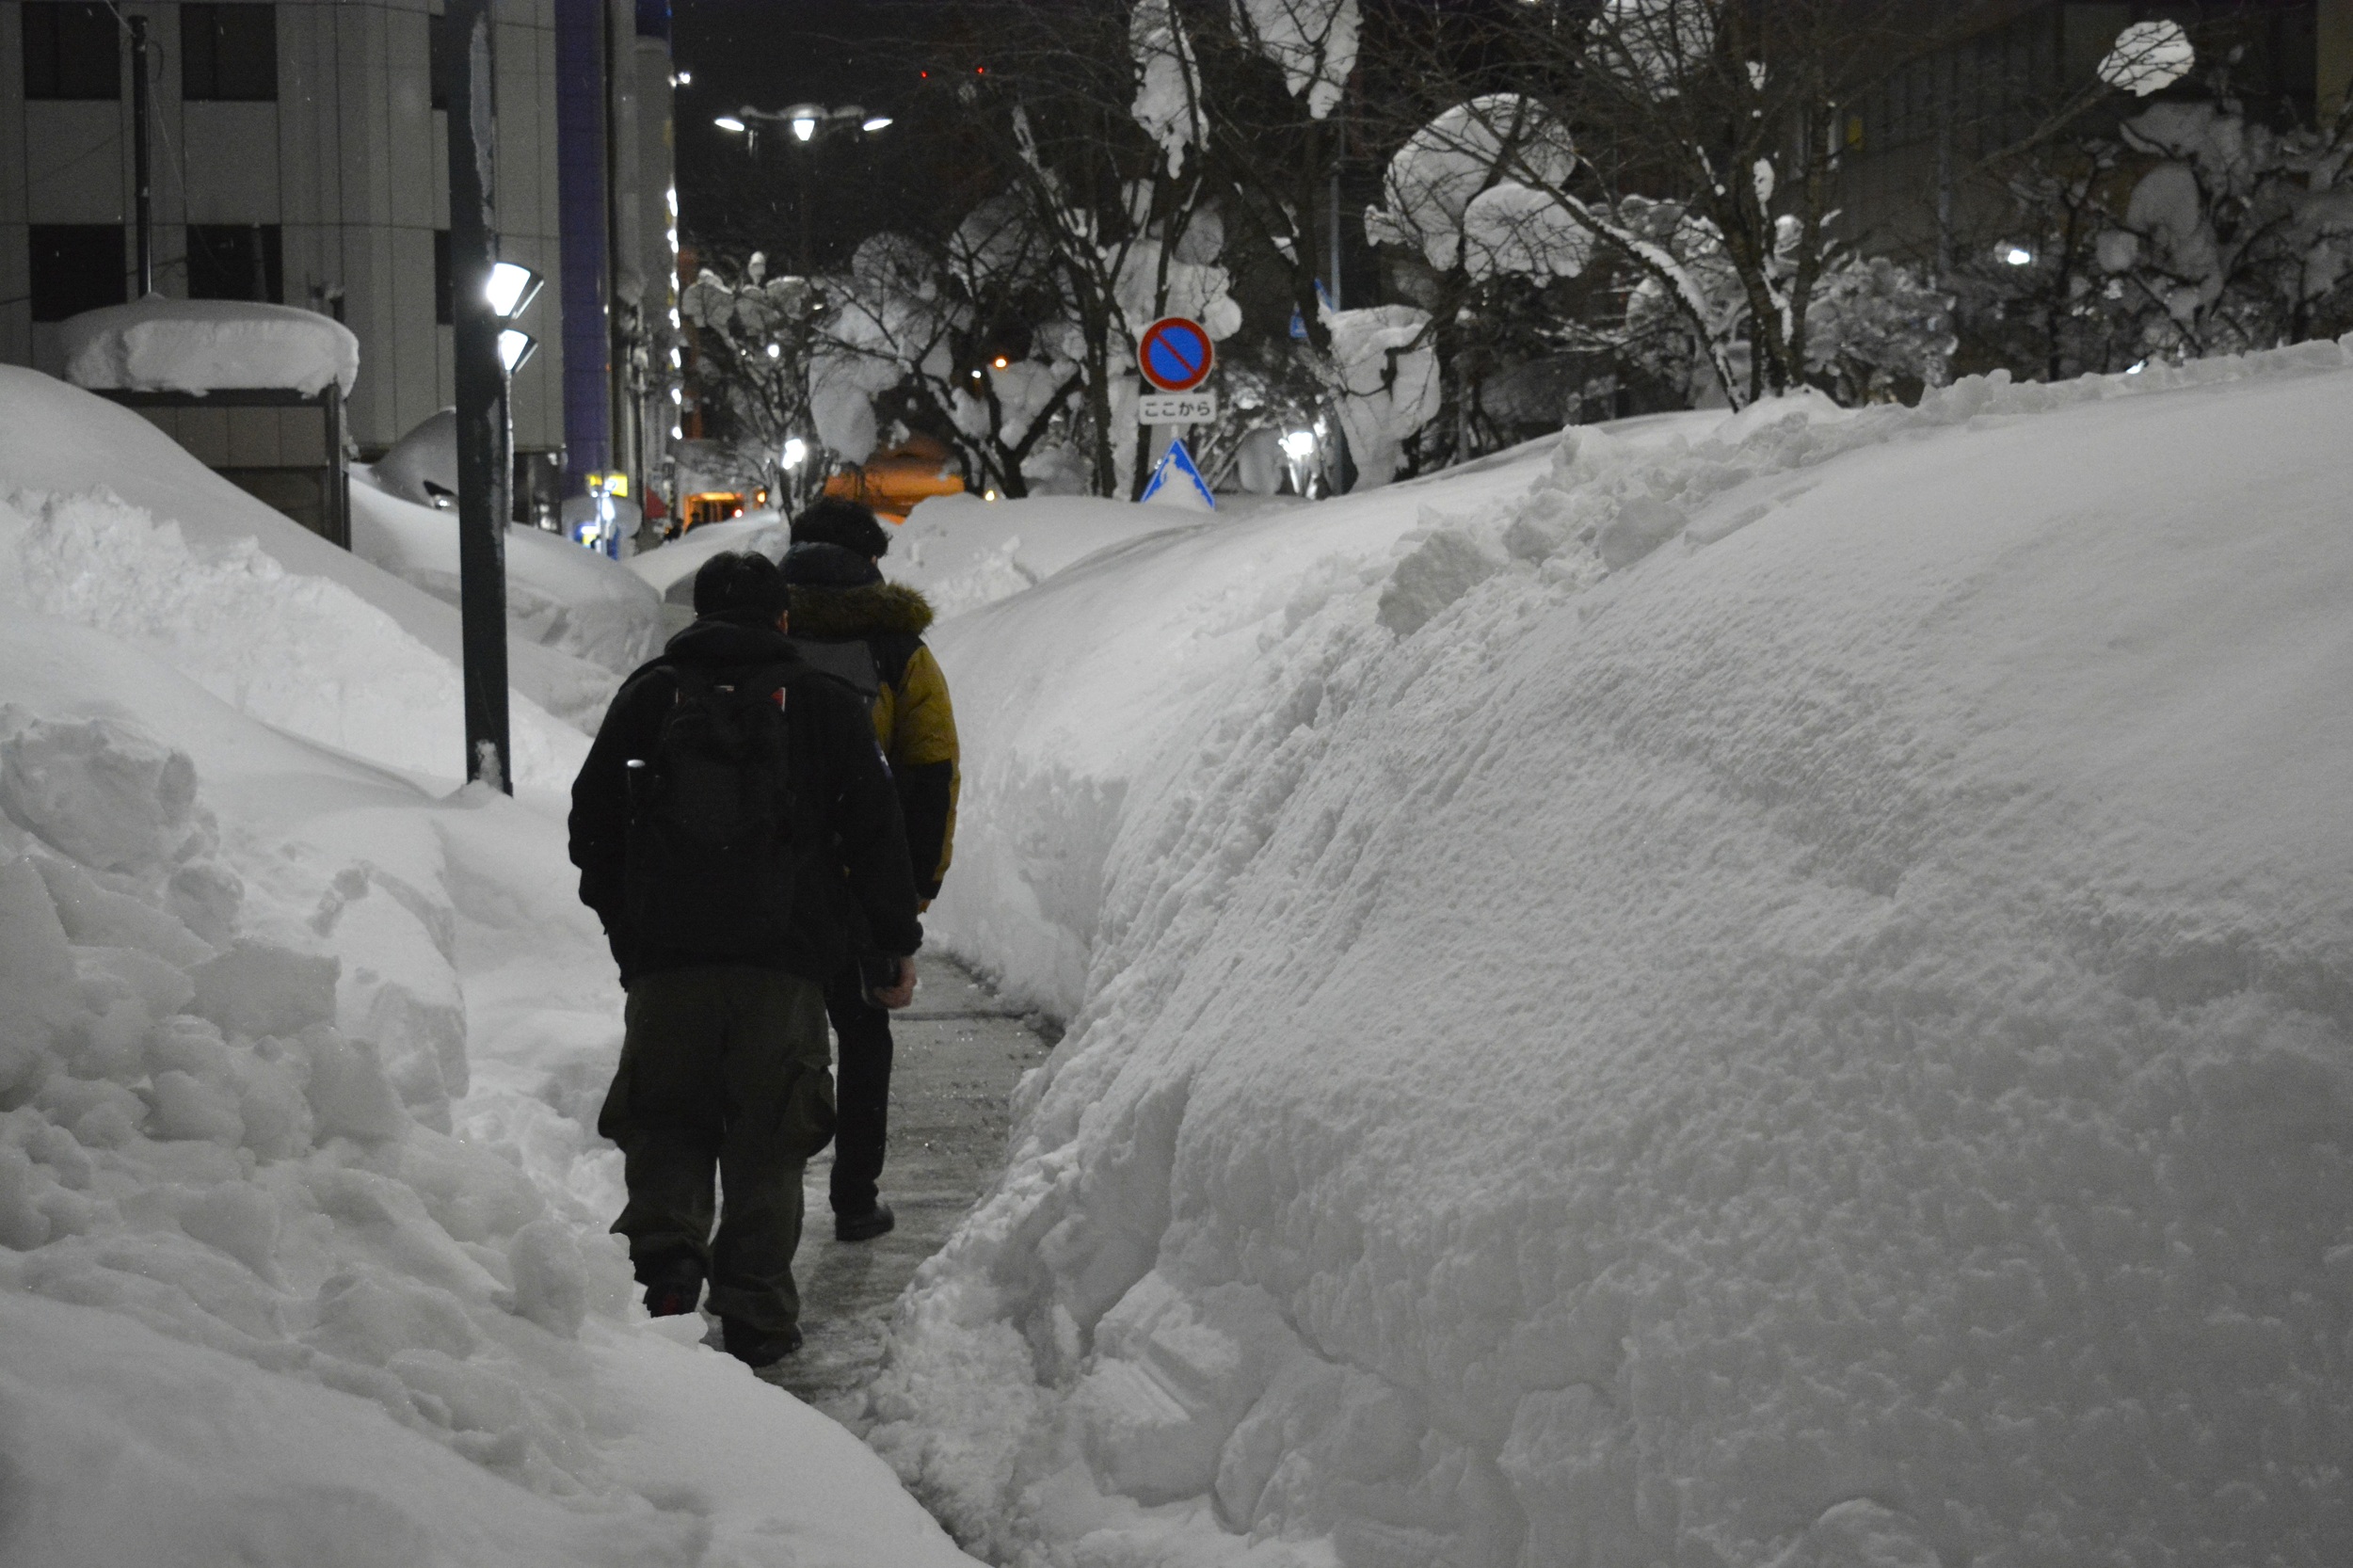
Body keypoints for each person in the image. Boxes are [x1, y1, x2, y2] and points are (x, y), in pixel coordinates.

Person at [568, 550, 921, 1374]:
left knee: (667, 1123)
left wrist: (632, 933)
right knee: (770, 1136)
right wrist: (888, 944)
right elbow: (878, 834)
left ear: (697, 616)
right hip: (784, 969)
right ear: (783, 619)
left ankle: (666, 1273)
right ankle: (757, 1313)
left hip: (667, 969)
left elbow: (591, 826)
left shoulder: (651, 697)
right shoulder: (827, 707)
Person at [777, 498, 960, 1242]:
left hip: (766, 880)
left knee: (774, 1039)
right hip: (860, 880)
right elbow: (930, 770)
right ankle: (854, 1198)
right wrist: (914, 889)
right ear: (871, 562)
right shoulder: (898, 650)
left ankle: (769, 1191)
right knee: (863, 1035)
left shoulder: (761, 632)